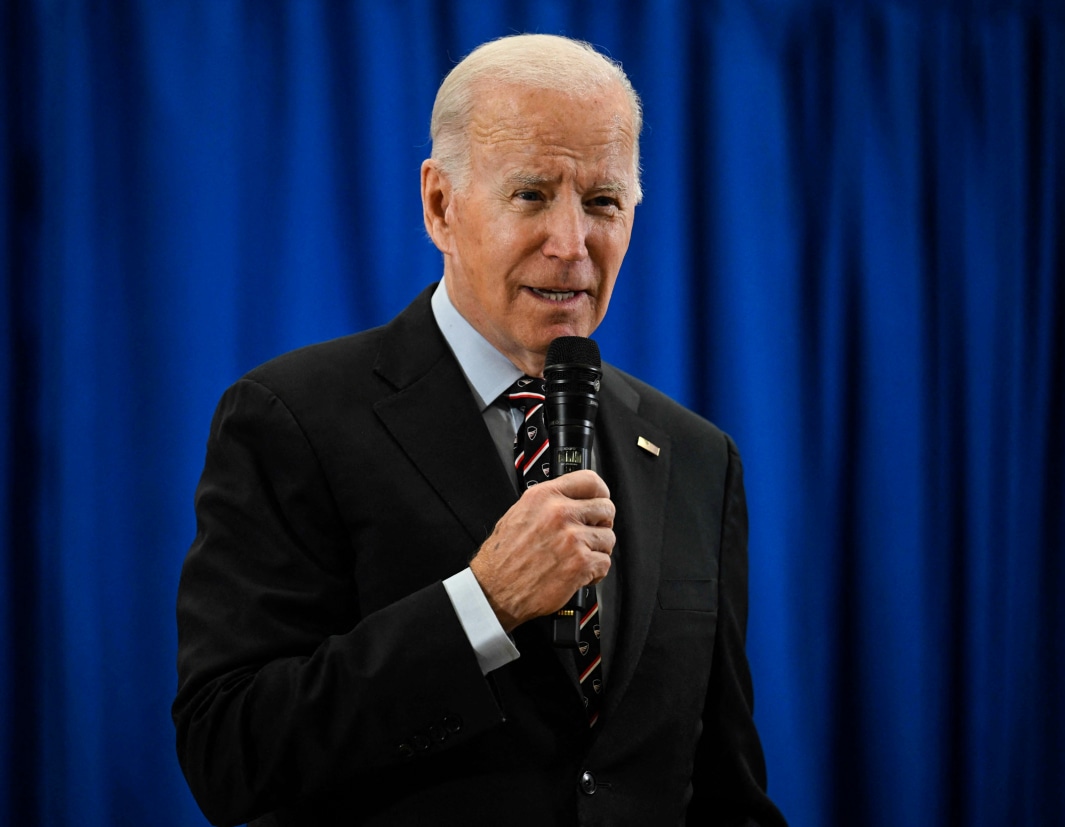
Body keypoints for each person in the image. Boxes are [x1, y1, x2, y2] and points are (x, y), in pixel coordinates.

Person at [172, 33, 785, 827]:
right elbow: (230, 752)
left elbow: (724, 789)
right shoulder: (292, 418)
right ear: (440, 205)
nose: (572, 245)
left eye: (602, 202)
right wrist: (481, 604)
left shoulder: (699, 456)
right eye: (531, 194)